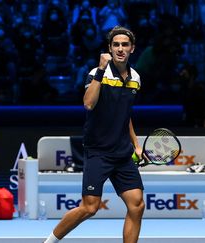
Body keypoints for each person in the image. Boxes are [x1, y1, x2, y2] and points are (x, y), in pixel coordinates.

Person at [44, 26, 145, 243]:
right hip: (98, 151)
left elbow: (125, 115)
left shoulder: (136, 78)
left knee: (137, 204)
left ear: (132, 49)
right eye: (116, 44)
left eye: (125, 45)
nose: (120, 48)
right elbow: (88, 104)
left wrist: (136, 144)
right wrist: (100, 70)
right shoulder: (96, 73)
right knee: (90, 207)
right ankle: (49, 242)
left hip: (122, 153)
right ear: (109, 48)